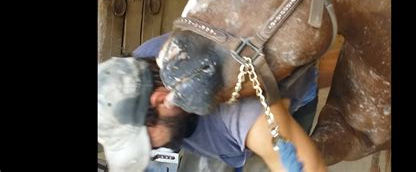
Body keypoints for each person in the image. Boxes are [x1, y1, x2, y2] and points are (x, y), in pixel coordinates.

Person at [98, 33, 327, 172]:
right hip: (197, 124)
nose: (151, 149)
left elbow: (310, 168)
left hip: (286, 100)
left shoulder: (242, 112)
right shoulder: (138, 68)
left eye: (146, 140)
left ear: (160, 101)